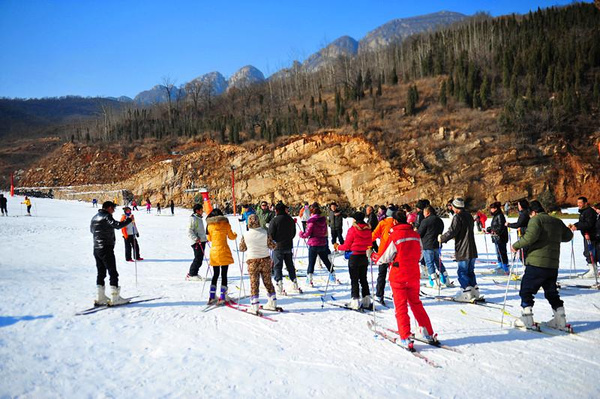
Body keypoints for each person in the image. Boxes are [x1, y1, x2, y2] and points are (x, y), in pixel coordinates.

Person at [375, 211, 438, 348]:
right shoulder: (415, 235)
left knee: (401, 307)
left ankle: (406, 337)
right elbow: (420, 255)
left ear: (395, 222)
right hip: (413, 274)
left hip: (398, 275)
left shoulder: (394, 236)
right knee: (416, 303)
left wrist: (374, 256)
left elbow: (383, 258)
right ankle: (427, 331)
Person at [512, 200, 574, 331]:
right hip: (552, 265)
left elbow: (530, 237)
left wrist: (515, 246)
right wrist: (554, 236)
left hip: (536, 263)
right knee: (551, 292)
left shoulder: (536, 220)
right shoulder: (556, 221)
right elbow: (568, 235)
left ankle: (527, 318)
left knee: (526, 290)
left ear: (533, 212)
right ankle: (560, 319)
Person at [90, 201, 133, 305]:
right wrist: (129, 220)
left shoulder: (94, 217)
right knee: (112, 272)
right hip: (106, 248)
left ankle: (100, 297)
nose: (113, 211)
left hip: (96, 248)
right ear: (108, 207)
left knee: (101, 272)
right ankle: (115, 298)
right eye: (113, 208)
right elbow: (117, 225)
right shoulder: (106, 216)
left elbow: (92, 230)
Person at [440, 198, 480, 302]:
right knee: (470, 271)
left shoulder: (457, 217)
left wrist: (442, 238)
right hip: (472, 248)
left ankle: (466, 291)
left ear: (456, 207)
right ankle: (474, 290)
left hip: (463, 249)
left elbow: (452, 231)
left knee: (462, 271)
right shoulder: (469, 216)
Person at [239, 214, 278, 314]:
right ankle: (272, 302)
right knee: (268, 281)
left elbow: (242, 248)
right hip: (265, 260)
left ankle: (254, 306)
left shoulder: (246, 234)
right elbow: (272, 246)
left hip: (252, 261)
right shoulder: (265, 232)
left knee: (254, 283)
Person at [336, 212, 372, 310]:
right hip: (364, 256)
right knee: (363, 279)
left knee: (354, 279)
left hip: (355, 256)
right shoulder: (368, 229)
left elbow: (347, 246)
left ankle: (355, 301)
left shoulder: (353, 229)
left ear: (355, 220)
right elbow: (370, 242)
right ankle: (366, 300)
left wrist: (338, 246)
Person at [206, 209, 238, 304]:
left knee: (215, 274)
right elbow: (232, 237)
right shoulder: (226, 224)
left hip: (214, 252)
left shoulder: (210, 226)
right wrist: (235, 234)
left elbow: (209, 238)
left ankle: (212, 296)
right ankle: (223, 296)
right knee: (224, 274)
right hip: (224, 250)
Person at [299, 202, 335, 285]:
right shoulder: (323, 220)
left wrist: (301, 234)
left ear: (312, 213)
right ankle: (333, 275)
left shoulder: (311, 221)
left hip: (314, 244)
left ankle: (310, 279)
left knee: (311, 262)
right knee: (326, 260)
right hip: (322, 242)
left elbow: (307, 234)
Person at [268, 203, 300, 294]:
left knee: (278, 266)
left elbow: (270, 234)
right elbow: (293, 233)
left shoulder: (274, 220)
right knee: (290, 265)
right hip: (288, 245)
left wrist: (272, 242)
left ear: (277, 210)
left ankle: (279, 284)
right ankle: (294, 283)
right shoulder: (290, 219)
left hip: (278, 246)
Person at [418, 206, 452, 288]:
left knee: (429, 263)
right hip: (437, 244)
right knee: (438, 261)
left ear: (428, 212)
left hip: (427, 245)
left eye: (424, 213)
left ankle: (433, 281)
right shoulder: (439, 220)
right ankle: (445, 279)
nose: (424, 214)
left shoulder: (425, 221)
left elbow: (420, 233)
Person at [371, 207, 398, 305]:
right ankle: (396, 294)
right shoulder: (397, 223)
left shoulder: (382, 223)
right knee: (394, 274)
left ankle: (379, 295)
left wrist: (367, 245)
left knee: (381, 274)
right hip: (395, 252)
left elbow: (373, 236)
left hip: (383, 251)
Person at [569, 196, 598, 278]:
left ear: (585, 203)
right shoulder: (584, 212)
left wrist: (578, 227)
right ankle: (593, 269)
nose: (579, 204)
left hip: (591, 235)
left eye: (580, 203)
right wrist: (575, 225)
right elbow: (582, 222)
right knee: (588, 252)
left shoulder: (589, 211)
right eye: (578, 203)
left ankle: (593, 271)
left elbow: (589, 224)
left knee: (590, 252)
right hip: (587, 235)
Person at [487, 202, 509, 274]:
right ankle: (500, 265)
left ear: (495, 208)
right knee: (498, 252)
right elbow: (495, 225)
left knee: (502, 252)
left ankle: (505, 267)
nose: (491, 210)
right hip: (496, 237)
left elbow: (501, 227)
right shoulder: (496, 215)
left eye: (492, 208)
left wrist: (495, 231)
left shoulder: (500, 215)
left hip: (501, 237)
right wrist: (490, 229)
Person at [187, 204, 208, 281]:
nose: (202, 211)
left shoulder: (199, 218)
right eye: (201, 210)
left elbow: (200, 230)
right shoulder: (193, 219)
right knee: (198, 258)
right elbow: (189, 231)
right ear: (197, 210)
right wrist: (196, 238)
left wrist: (204, 238)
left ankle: (195, 273)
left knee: (200, 259)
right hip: (196, 242)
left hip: (202, 241)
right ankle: (192, 274)